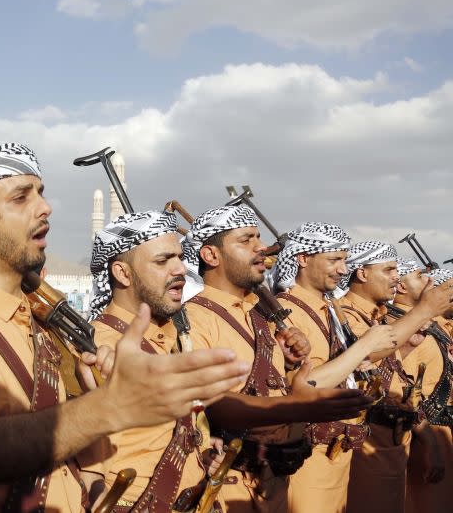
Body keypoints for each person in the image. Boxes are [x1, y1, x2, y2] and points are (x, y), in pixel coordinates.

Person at [0, 143, 252, 512]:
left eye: (41, 193)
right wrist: (111, 406)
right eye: (20, 197)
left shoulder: (40, 323)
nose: (44, 207)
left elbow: (80, 450)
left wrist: (95, 491)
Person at [181, 206, 372, 513]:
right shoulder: (194, 319)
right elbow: (215, 406)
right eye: (246, 240)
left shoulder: (260, 315)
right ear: (210, 256)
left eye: (258, 238)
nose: (261, 247)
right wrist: (299, 404)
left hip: (277, 479)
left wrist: (291, 362)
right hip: (230, 484)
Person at [85, 210, 221, 511]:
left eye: (180, 257)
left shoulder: (174, 335)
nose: (181, 270)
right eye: (162, 261)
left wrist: (202, 447)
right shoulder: (97, 346)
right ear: (123, 274)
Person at [270, 223, 399, 513]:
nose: (343, 269)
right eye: (334, 260)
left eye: (344, 260)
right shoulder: (284, 312)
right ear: (302, 259)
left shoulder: (328, 310)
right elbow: (308, 385)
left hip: (338, 454)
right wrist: (363, 347)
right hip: (309, 455)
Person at [335, 241, 453, 513]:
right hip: (368, 443)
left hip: (397, 442)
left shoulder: (377, 319)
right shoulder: (346, 316)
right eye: (389, 270)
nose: (396, 277)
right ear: (362, 274)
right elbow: (369, 366)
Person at [390, 259, 452, 513]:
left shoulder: (433, 327)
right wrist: (429, 444)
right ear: (402, 287)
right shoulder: (401, 327)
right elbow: (406, 390)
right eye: (419, 277)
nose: (428, 282)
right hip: (424, 437)